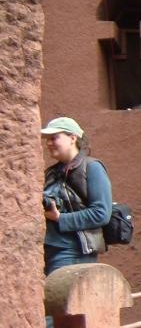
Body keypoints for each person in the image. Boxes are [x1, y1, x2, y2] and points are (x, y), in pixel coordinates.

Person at [41, 117, 113, 276]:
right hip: (48, 250)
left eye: (54, 138)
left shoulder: (92, 167)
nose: (48, 143)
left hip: (73, 253)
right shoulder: (52, 173)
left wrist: (60, 218)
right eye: (47, 139)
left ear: (73, 138)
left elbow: (101, 213)